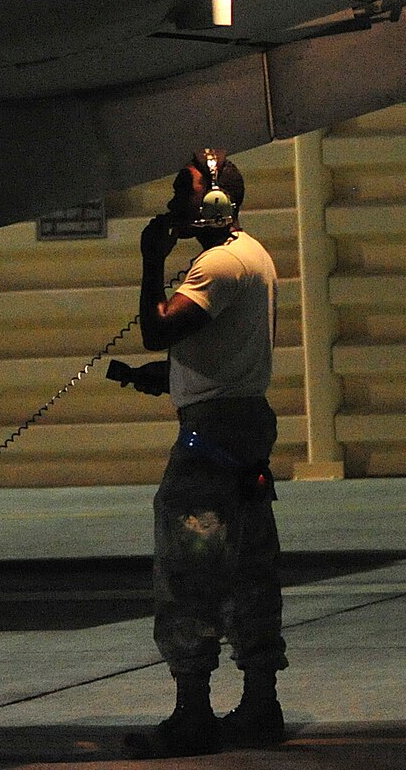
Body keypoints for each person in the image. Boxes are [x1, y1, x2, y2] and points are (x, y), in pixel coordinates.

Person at [116, 148, 286, 758]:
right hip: (242, 428)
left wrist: (149, 262)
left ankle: (192, 714)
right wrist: (166, 379)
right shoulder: (254, 255)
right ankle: (262, 704)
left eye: (181, 196)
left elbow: (159, 327)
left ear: (212, 202)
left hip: (207, 445)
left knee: (189, 568)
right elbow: (219, 354)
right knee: (249, 568)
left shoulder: (214, 266)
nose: (172, 208)